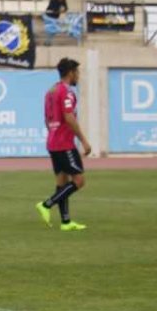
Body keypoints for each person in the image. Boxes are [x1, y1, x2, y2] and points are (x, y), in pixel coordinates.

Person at [35, 58, 90, 231]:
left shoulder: (50, 91)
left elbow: (46, 118)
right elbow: (69, 117)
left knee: (62, 181)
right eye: (77, 72)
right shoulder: (66, 92)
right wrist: (83, 140)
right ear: (70, 73)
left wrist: (53, 133)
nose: (78, 76)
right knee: (79, 181)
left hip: (52, 142)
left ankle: (66, 222)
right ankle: (46, 204)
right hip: (64, 143)